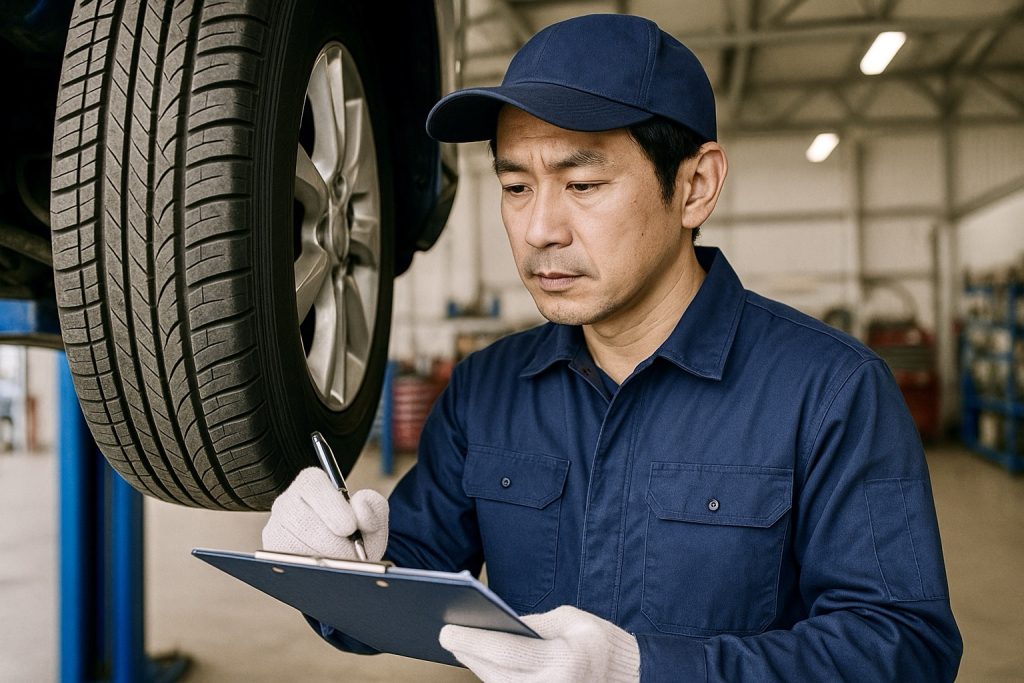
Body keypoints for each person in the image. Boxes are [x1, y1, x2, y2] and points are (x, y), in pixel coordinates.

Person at [261, 13, 962, 682]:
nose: (539, 228)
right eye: (514, 185)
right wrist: (338, 568)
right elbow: (405, 580)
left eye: (583, 183)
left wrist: (644, 670)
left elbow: (902, 647)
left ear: (694, 187)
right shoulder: (487, 390)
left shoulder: (832, 392)